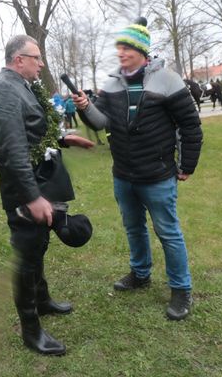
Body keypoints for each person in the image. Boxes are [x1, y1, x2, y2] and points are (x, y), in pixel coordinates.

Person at [72, 18, 203, 321]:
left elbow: (190, 125)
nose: (121, 53)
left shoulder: (168, 79)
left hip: (157, 175)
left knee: (168, 232)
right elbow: (101, 122)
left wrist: (187, 165)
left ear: (142, 51)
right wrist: (84, 107)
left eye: (126, 48)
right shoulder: (112, 83)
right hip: (123, 175)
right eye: (118, 47)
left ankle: (181, 289)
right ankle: (140, 274)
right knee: (133, 228)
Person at [0, 34, 93, 356]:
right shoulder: (4, 90)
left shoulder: (21, 87)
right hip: (23, 192)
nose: (41, 63)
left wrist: (63, 139)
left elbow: (32, 133)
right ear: (19, 60)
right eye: (37, 57)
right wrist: (32, 198)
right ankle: (31, 331)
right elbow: (13, 150)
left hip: (38, 182)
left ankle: (42, 301)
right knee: (26, 258)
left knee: (38, 247)